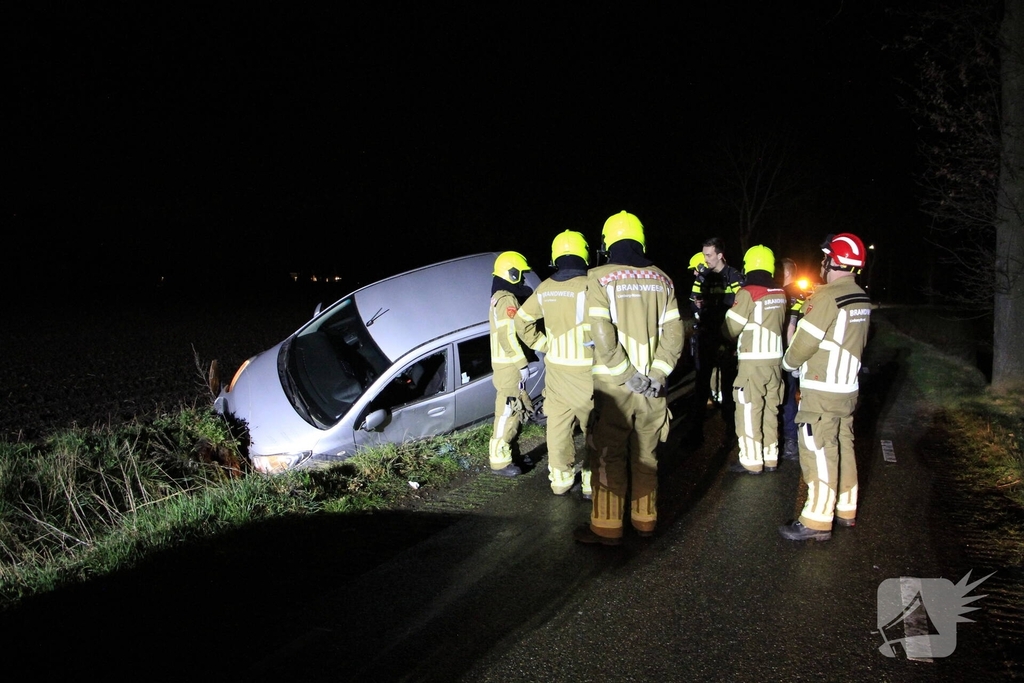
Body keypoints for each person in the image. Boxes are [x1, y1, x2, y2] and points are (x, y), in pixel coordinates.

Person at [574, 211, 684, 545]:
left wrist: (626, 373)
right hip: (652, 389)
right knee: (647, 454)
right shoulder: (663, 279)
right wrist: (657, 373)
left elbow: (599, 329)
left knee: (609, 453)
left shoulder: (599, 277)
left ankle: (607, 527)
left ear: (608, 242)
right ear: (640, 239)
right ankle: (645, 520)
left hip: (614, 386)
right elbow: (675, 332)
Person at [778, 233, 872, 541]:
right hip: (847, 388)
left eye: (826, 256)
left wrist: (788, 364)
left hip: (821, 389)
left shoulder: (827, 297)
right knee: (843, 445)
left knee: (818, 449)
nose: (823, 261)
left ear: (833, 260)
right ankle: (846, 507)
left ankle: (817, 519)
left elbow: (804, 342)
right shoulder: (860, 297)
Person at [515, 230, 595, 497]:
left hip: (556, 371)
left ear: (555, 256)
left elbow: (521, 321)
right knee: (594, 428)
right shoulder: (591, 284)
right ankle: (590, 483)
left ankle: (560, 480)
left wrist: (543, 345)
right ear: (584, 253)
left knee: (558, 426)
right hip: (587, 371)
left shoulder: (545, 288)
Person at [723, 245, 787, 474]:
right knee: (771, 409)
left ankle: (751, 460)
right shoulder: (779, 293)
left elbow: (731, 327)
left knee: (749, 409)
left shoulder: (748, 292)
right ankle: (771, 457)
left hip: (752, 362)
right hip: (775, 362)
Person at [688, 237, 744, 445]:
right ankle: (696, 433)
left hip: (727, 337)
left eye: (709, 255)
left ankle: (730, 434)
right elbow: (693, 300)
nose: (706, 259)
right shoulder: (702, 275)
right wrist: (698, 307)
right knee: (701, 386)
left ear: (720, 255)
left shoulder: (734, 276)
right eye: (704, 255)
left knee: (729, 387)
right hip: (706, 335)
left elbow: (741, 306)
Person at [488, 251, 536, 477]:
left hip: (506, 366)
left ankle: (510, 454)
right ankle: (499, 460)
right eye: (521, 274)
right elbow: (508, 335)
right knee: (507, 412)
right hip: (509, 367)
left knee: (514, 411)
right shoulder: (506, 298)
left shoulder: (500, 296)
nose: (524, 279)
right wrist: (521, 363)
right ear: (512, 273)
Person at [779, 257, 803, 461]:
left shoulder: (788, 294)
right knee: (791, 395)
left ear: (785, 273)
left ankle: (790, 440)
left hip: (787, 354)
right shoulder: (804, 294)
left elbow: (790, 327)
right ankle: (793, 439)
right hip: (801, 354)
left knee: (786, 396)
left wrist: (788, 356)